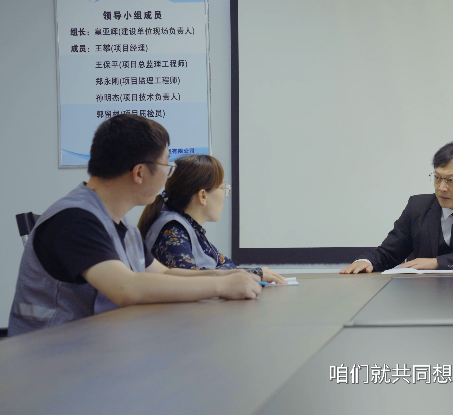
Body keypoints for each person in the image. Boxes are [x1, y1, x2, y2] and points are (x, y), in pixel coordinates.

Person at [8, 115, 262, 336]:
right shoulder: (75, 219)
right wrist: (220, 286)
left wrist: (225, 275)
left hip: (93, 347)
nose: (168, 177)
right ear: (139, 172)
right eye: (167, 167)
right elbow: (125, 288)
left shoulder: (121, 224)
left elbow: (163, 274)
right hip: (50, 357)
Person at [340, 141, 453, 273]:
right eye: (437, 178)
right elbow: (389, 252)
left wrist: (437, 263)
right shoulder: (417, 207)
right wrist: (366, 261)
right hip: (425, 296)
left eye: (451, 180)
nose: (441, 187)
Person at [138, 154, 286, 284]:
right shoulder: (172, 230)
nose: (224, 196)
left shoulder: (191, 228)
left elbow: (226, 265)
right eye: (222, 188)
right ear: (203, 195)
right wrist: (254, 273)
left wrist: (251, 273)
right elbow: (189, 280)